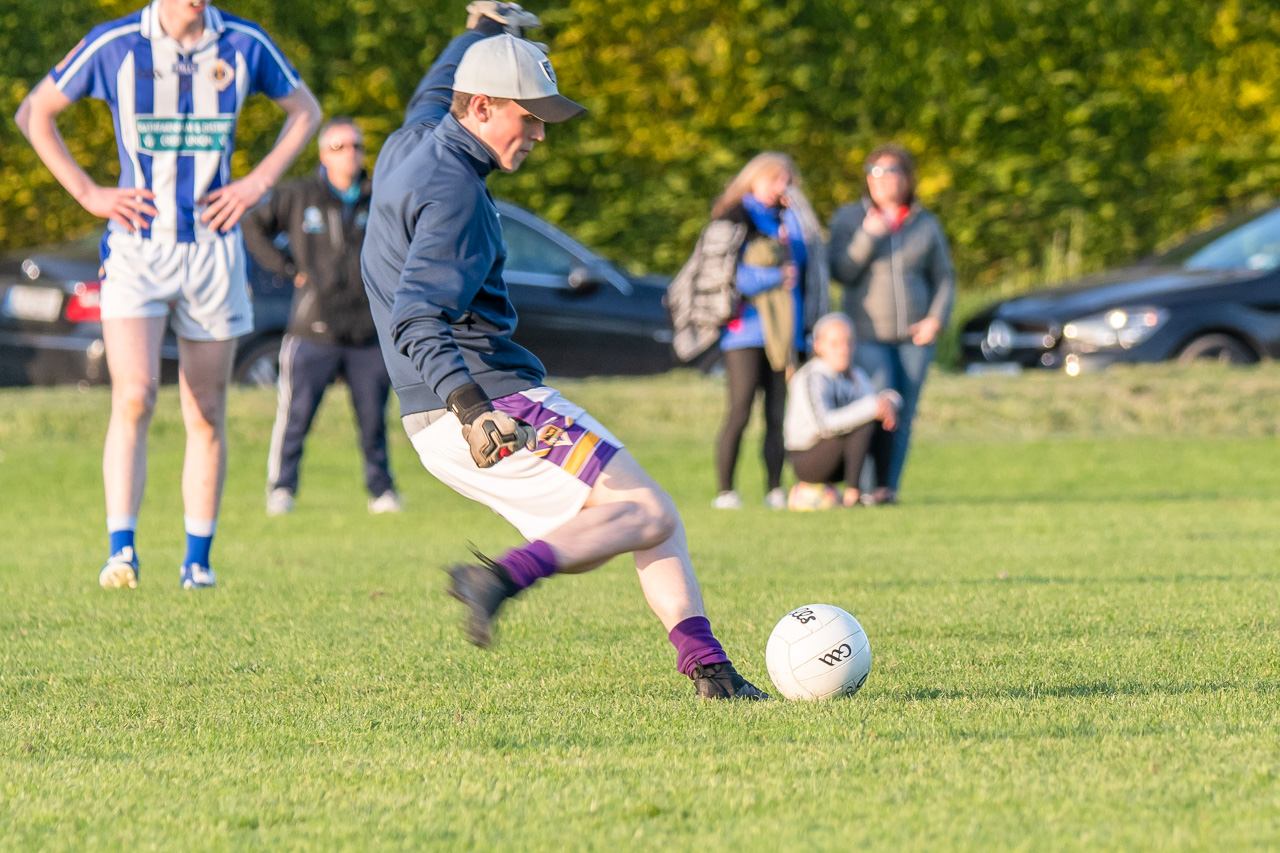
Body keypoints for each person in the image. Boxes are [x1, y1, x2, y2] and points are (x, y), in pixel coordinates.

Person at [361, 6, 769, 700]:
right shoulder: (454, 192)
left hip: (439, 411)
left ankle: (713, 672)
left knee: (637, 513)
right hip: (486, 401)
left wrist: (483, 26)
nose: (541, 133)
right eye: (532, 116)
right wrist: (472, 408)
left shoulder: (412, 144)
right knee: (648, 512)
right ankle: (498, 578)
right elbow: (416, 315)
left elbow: (436, 85)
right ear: (483, 106)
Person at [15, 0, 321, 589]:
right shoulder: (116, 43)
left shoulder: (243, 43)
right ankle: (121, 552)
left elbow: (305, 111)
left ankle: (197, 561)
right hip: (137, 250)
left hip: (213, 251)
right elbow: (35, 112)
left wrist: (257, 184)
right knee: (133, 397)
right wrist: (86, 192)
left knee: (205, 411)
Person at [241, 117, 401, 517]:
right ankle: (282, 489)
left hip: (367, 328)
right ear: (323, 155)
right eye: (341, 147)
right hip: (313, 327)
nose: (351, 154)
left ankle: (382, 491)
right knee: (295, 417)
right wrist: (286, 267)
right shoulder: (300, 196)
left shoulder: (379, 195)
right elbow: (252, 225)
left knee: (373, 422)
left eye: (358, 147)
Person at [668, 153, 829, 511]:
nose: (780, 188)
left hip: (784, 334)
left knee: (777, 413)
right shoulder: (732, 219)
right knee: (739, 410)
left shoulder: (790, 220)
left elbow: (808, 260)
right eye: (774, 179)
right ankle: (726, 491)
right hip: (744, 332)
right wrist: (772, 277)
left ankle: (774, 488)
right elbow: (724, 275)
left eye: (787, 181)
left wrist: (799, 214)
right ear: (754, 179)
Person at [827, 144, 955, 504]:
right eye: (874, 172)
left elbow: (944, 277)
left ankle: (888, 487)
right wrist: (869, 235)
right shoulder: (849, 218)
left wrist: (935, 319)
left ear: (907, 178)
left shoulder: (925, 223)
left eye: (890, 172)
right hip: (867, 335)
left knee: (904, 414)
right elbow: (840, 272)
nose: (881, 180)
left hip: (914, 336)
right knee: (877, 408)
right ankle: (863, 486)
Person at [784, 313, 900, 510]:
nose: (843, 350)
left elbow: (873, 402)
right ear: (819, 346)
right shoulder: (810, 377)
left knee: (880, 417)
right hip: (807, 457)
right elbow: (824, 424)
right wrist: (871, 408)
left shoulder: (855, 375)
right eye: (835, 343)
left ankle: (882, 490)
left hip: (840, 455)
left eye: (848, 343)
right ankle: (852, 493)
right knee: (864, 419)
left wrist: (889, 402)